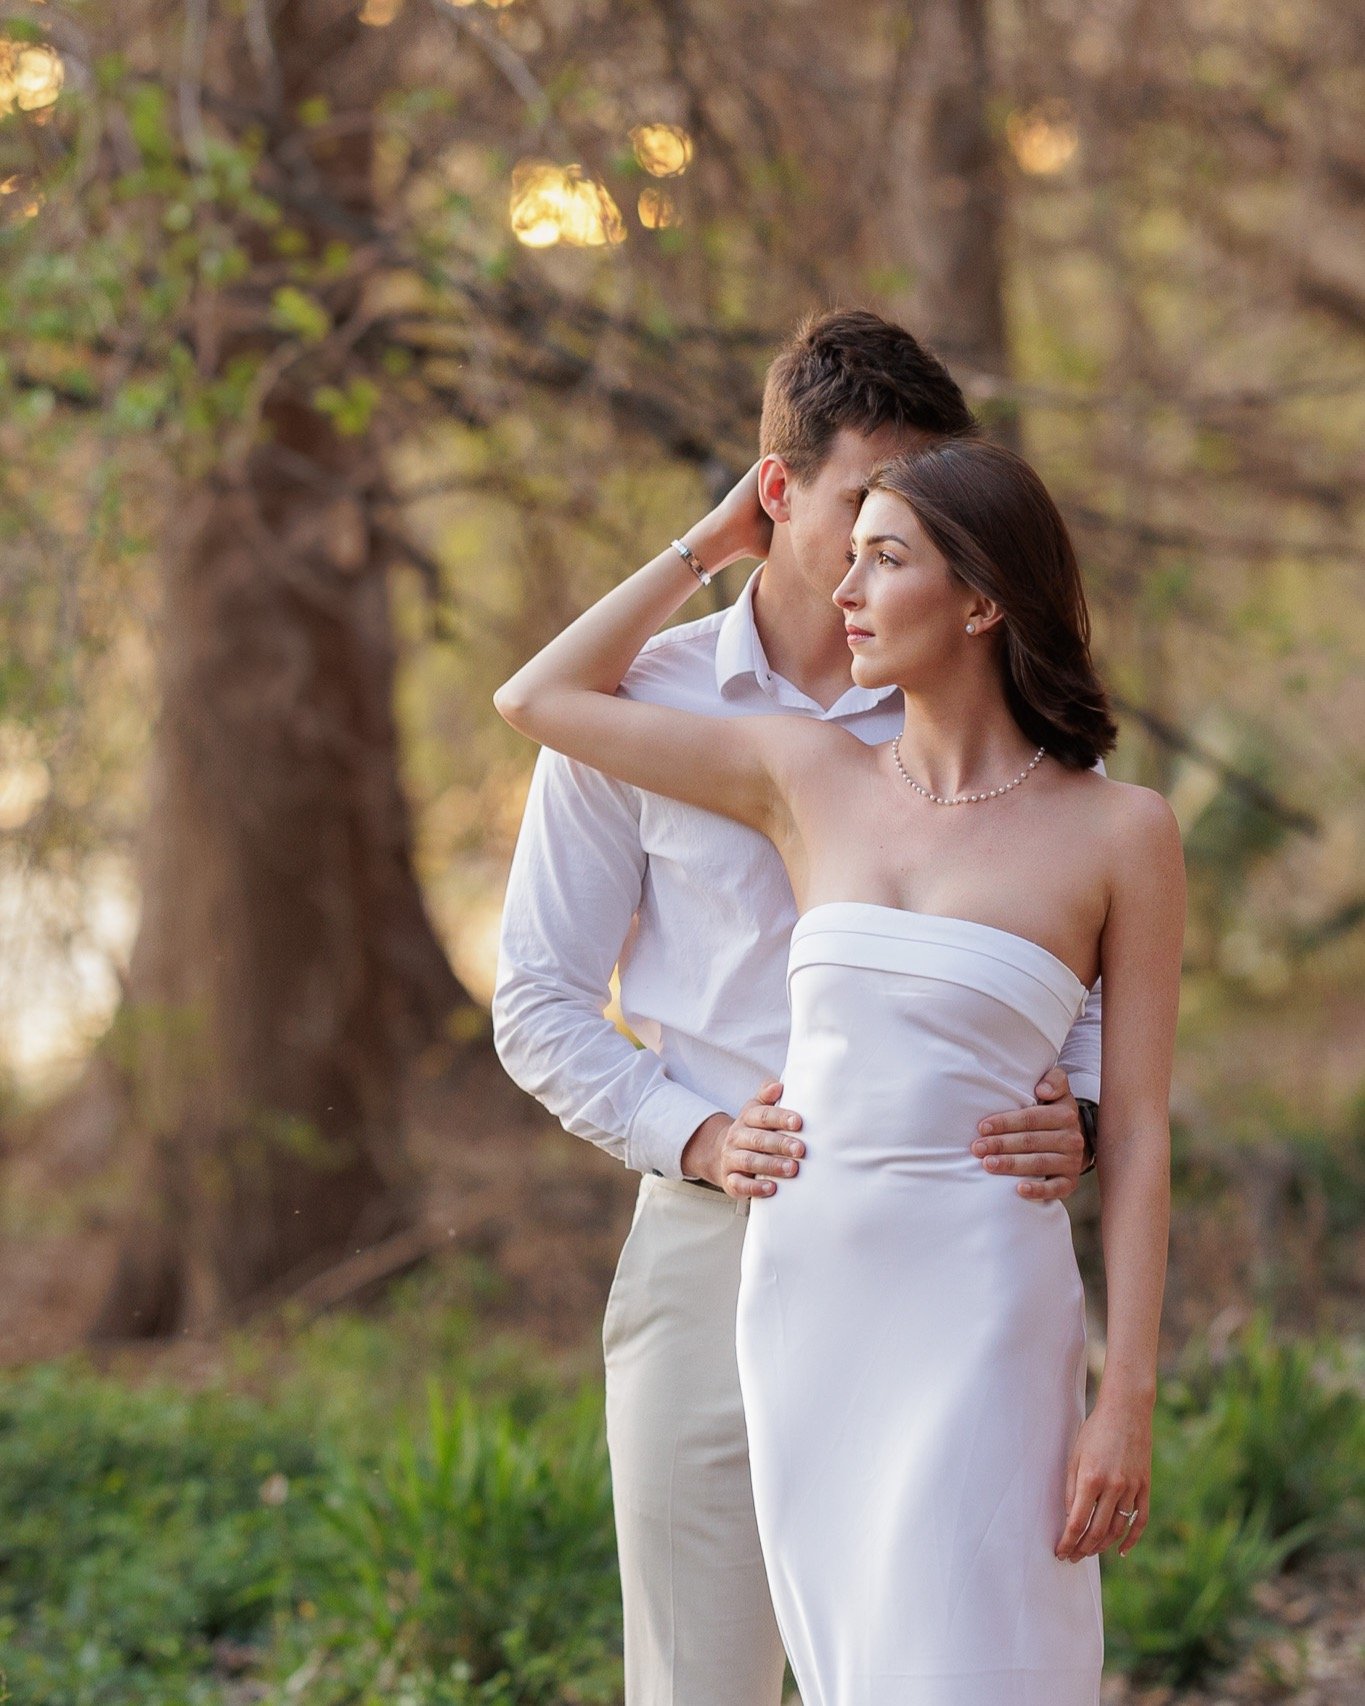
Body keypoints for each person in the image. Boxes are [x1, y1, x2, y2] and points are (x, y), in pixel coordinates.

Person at [493, 428, 1182, 1706]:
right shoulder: (805, 775)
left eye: (883, 560)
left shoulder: (1122, 831)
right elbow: (536, 699)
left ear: (981, 599)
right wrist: (710, 546)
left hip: (987, 1309)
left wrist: (1123, 1394)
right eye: (845, 554)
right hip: (803, 1303)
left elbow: (1135, 1132)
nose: (844, 591)